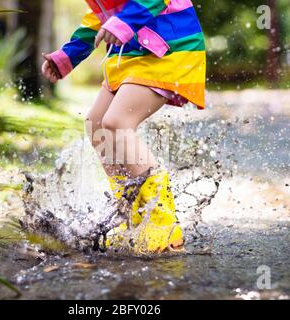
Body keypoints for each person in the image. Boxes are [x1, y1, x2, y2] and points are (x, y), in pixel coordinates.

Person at [41, 0, 206, 254]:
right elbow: (98, 16)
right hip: (131, 55)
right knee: (96, 124)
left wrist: (123, 23)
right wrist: (66, 58)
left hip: (169, 50)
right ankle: (132, 214)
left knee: (117, 122)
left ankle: (164, 222)